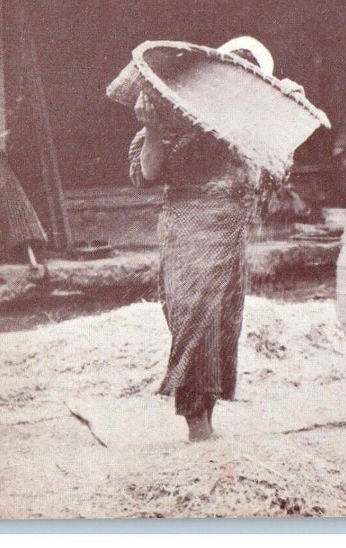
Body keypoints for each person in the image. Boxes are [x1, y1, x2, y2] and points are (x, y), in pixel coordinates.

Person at [128, 36, 281, 442]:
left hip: (230, 231)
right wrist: (152, 127)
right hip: (189, 226)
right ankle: (197, 425)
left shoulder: (252, 128)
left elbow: (275, 172)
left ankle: (207, 420)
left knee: (222, 322)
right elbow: (147, 174)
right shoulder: (176, 113)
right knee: (194, 320)